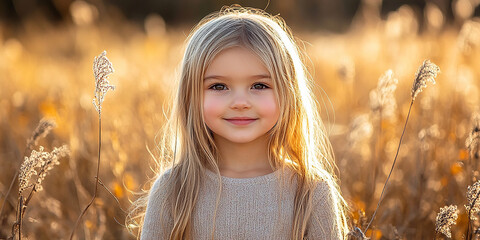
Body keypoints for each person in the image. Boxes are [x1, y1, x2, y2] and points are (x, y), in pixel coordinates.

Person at [128, 5, 350, 240]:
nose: (240, 102)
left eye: (259, 85)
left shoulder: (311, 191)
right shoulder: (173, 189)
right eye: (219, 86)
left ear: (289, 93)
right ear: (190, 96)